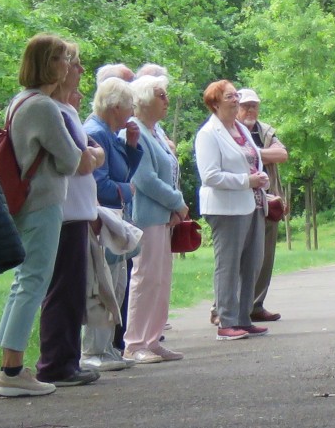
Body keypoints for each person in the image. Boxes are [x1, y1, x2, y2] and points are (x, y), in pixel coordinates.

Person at [0, 33, 97, 399]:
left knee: (26, 280)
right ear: (48, 64)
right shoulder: (44, 107)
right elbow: (71, 159)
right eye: (63, 59)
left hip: (27, 200)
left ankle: (10, 363)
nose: (69, 66)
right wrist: (86, 154)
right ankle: (12, 370)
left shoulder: (19, 102)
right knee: (34, 281)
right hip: (43, 202)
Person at [37, 48, 106, 388]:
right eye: (73, 63)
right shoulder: (54, 111)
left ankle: (68, 359)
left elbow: (93, 152)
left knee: (73, 289)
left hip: (77, 210)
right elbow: (80, 159)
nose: (79, 70)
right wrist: (91, 154)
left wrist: (92, 153)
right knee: (63, 289)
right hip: (62, 212)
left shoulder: (67, 110)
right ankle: (55, 362)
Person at [196, 79, 271, 340]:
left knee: (252, 262)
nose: (236, 100)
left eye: (236, 95)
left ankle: (243, 317)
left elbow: (253, 162)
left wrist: (261, 180)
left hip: (253, 204)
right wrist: (246, 181)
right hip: (225, 208)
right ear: (215, 103)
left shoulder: (240, 129)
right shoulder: (208, 134)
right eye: (229, 96)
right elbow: (210, 176)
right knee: (228, 265)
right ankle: (226, 321)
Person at [123, 73, 188, 364]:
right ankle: (134, 343)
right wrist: (177, 202)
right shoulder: (135, 131)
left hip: (163, 216)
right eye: (161, 95)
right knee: (145, 278)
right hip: (146, 216)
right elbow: (145, 179)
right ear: (145, 99)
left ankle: (153, 338)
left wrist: (174, 207)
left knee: (161, 279)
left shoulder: (154, 132)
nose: (167, 100)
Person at [80, 74, 141, 373]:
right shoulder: (96, 133)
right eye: (130, 106)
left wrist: (131, 146)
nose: (132, 112)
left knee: (117, 284)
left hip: (114, 219)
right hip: (102, 220)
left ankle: (107, 349)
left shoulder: (110, 134)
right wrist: (126, 190)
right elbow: (98, 184)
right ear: (115, 106)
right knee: (102, 286)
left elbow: (124, 170)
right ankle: (94, 350)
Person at [239, 88, 290, 322]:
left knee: (265, 255)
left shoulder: (265, 130)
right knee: (237, 257)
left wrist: (254, 153)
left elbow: (282, 154)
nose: (250, 110)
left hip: (268, 201)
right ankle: (223, 308)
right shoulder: (230, 130)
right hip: (239, 202)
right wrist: (261, 155)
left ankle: (255, 304)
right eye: (245, 105)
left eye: (254, 105)